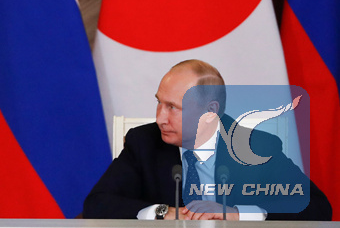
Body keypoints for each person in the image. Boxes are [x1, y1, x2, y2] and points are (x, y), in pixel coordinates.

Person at [83, 59, 331, 221]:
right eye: (159, 102)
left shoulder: (256, 147)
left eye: (172, 107)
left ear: (211, 111)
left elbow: (316, 207)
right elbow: (97, 204)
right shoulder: (144, 142)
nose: (160, 118)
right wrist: (163, 212)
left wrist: (236, 214)